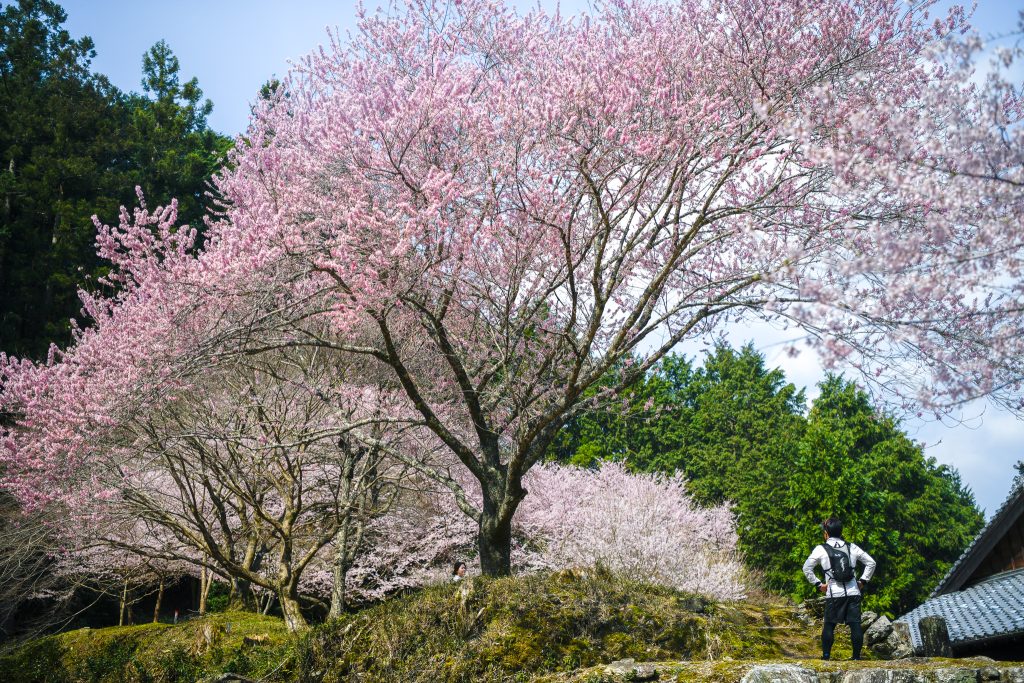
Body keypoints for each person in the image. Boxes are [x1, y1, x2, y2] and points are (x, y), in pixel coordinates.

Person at [802, 517, 877, 661]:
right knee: (855, 624)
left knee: (829, 625)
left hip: (833, 592)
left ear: (826, 533)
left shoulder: (821, 549)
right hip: (853, 591)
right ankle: (856, 657)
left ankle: (826, 656)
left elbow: (806, 568)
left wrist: (819, 585)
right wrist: (863, 581)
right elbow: (871, 563)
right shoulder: (851, 547)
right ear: (841, 532)